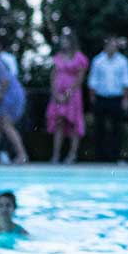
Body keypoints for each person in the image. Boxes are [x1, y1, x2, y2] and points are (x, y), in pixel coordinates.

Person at [45, 29, 89, 164]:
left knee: (74, 123)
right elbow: (53, 77)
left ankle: (72, 154)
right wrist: (56, 94)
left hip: (72, 96)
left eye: (65, 40)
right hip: (58, 96)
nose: (63, 43)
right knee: (59, 123)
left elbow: (79, 79)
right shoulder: (57, 58)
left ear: (71, 42)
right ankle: (56, 155)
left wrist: (68, 94)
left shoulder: (79, 58)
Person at [86, 35, 128, 163]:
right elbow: (92, 81)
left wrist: (126, 99)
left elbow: (126, 82)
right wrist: (93, 98)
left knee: (117, 128)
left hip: (116, 98)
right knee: (99, 128)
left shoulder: (123, 61)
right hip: (101, 98)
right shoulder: (98, 61)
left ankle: (115, 156)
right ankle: (100, 157)